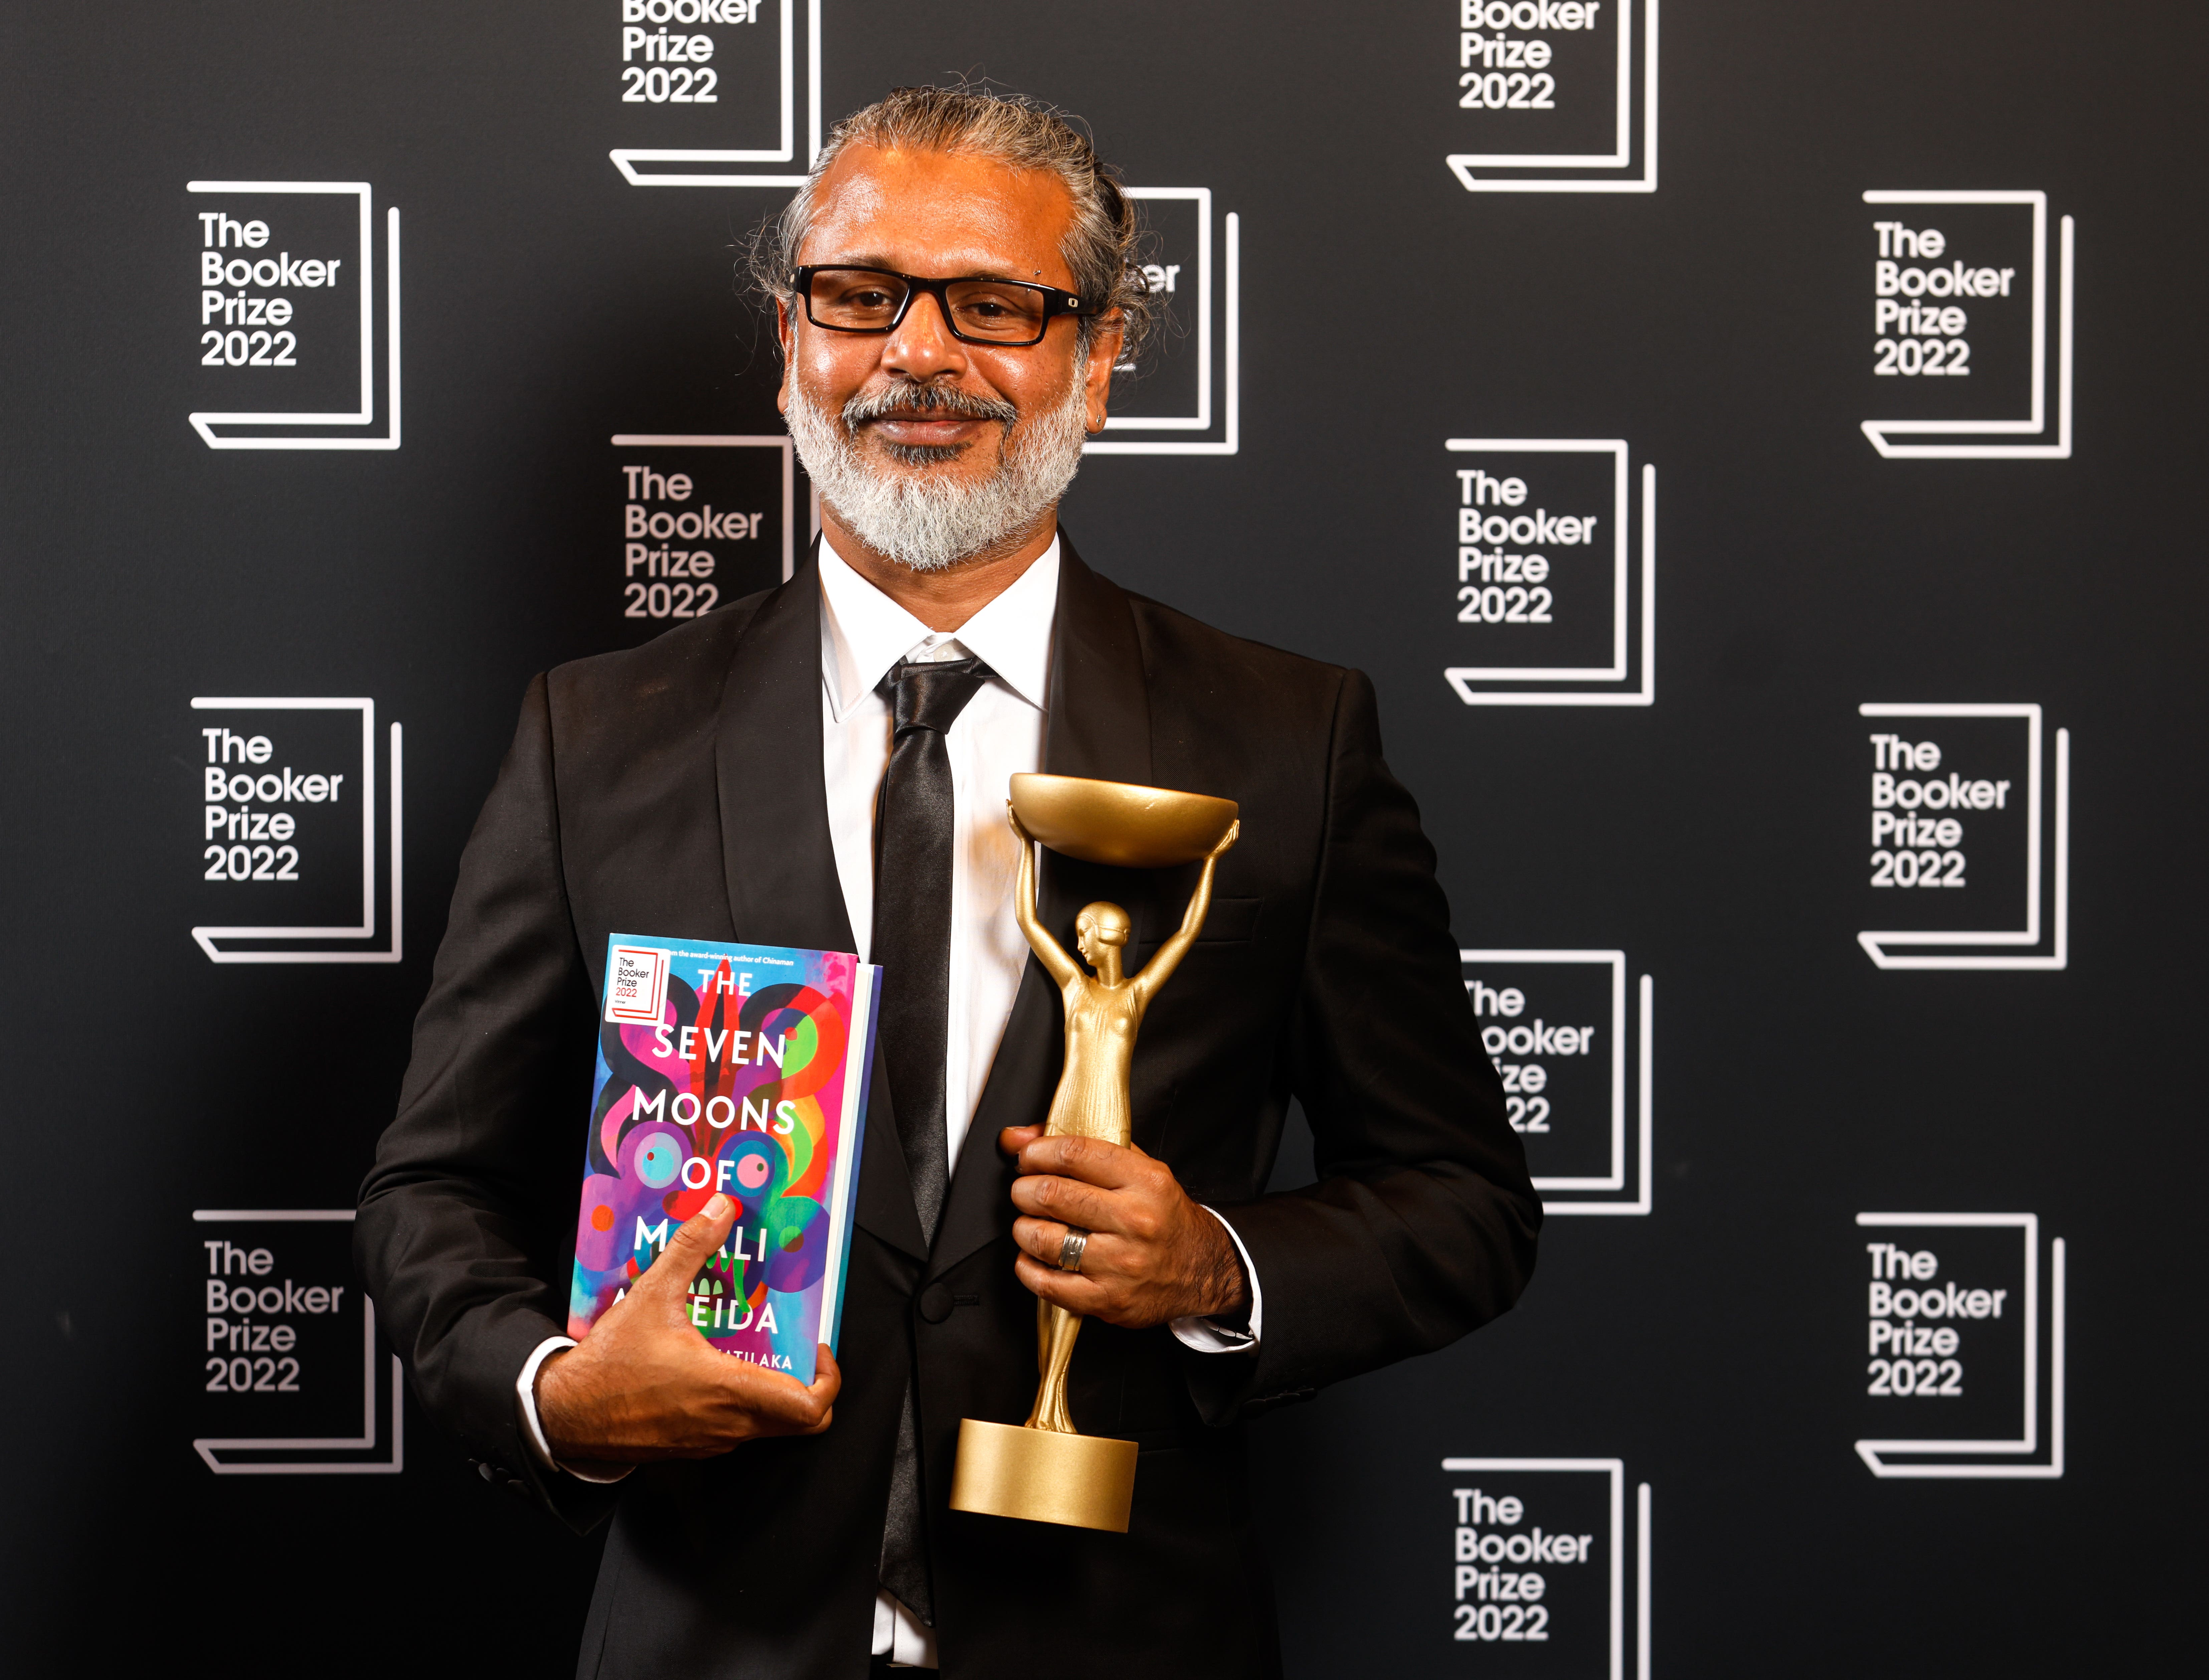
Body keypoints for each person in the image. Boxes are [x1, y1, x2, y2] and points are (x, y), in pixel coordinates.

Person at [356, 84, 1539, 1679]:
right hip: (710, 1636)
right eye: (862, 296)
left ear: (1098, 357)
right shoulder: (594, 737)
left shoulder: (1285, 741)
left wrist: (1218, 1265)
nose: (922, 352)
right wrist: (559, 1391)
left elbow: (1462, 1201)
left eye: (995, 305)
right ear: (792, 342)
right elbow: (429, 1192)